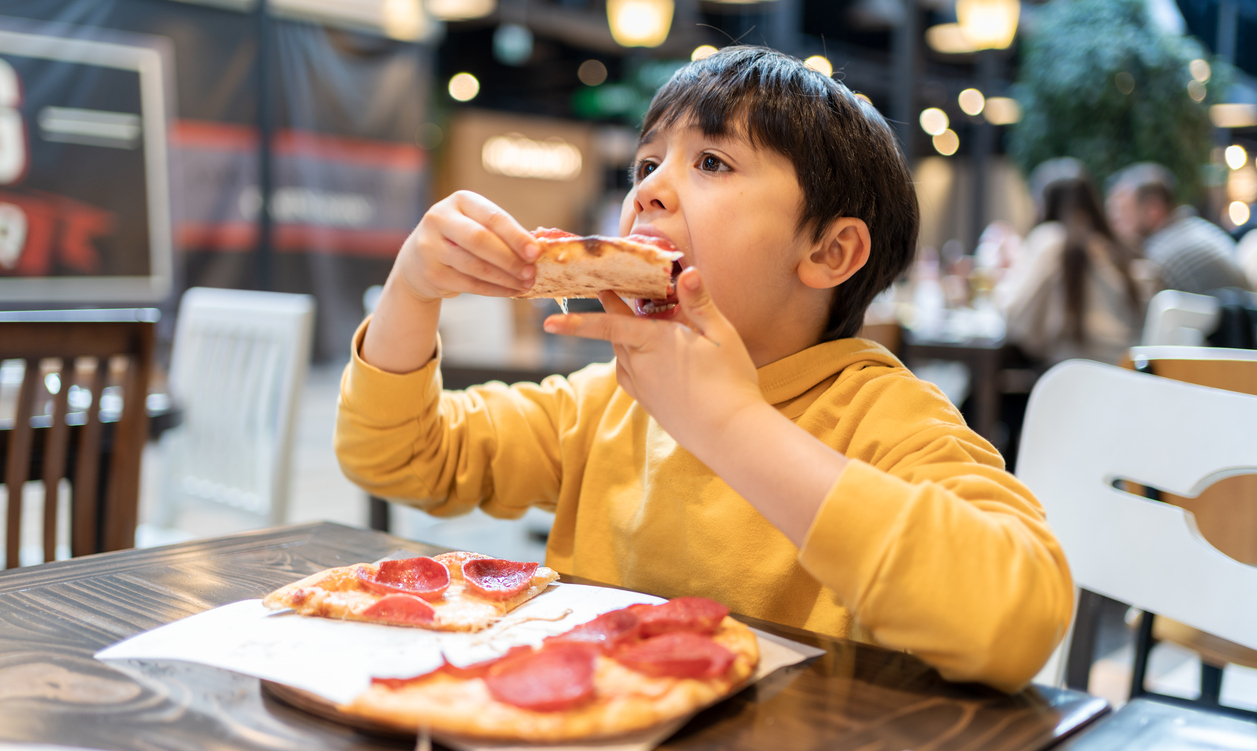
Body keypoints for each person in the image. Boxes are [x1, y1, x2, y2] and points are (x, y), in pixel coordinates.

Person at [335, 47, 1072, 693]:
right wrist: (411, 290)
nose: (646, 190)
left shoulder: (883, 417)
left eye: (711, 162)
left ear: (828, 253)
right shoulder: (603, 403)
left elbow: (1019, 619)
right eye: (647, 163)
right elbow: (397, 457)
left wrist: (728, 424)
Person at [1000, 160, 1155, 366]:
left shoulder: (1051, 240)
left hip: (1067, 375)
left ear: (1045, 204)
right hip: (1122, 373)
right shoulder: (1119, 249)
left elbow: (1014, 316)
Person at [1106, 162, 1247, 294]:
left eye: (1123, 213)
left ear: (1153, 210)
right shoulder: (1192, 228)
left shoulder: (1163, 257)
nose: (1115, 225)